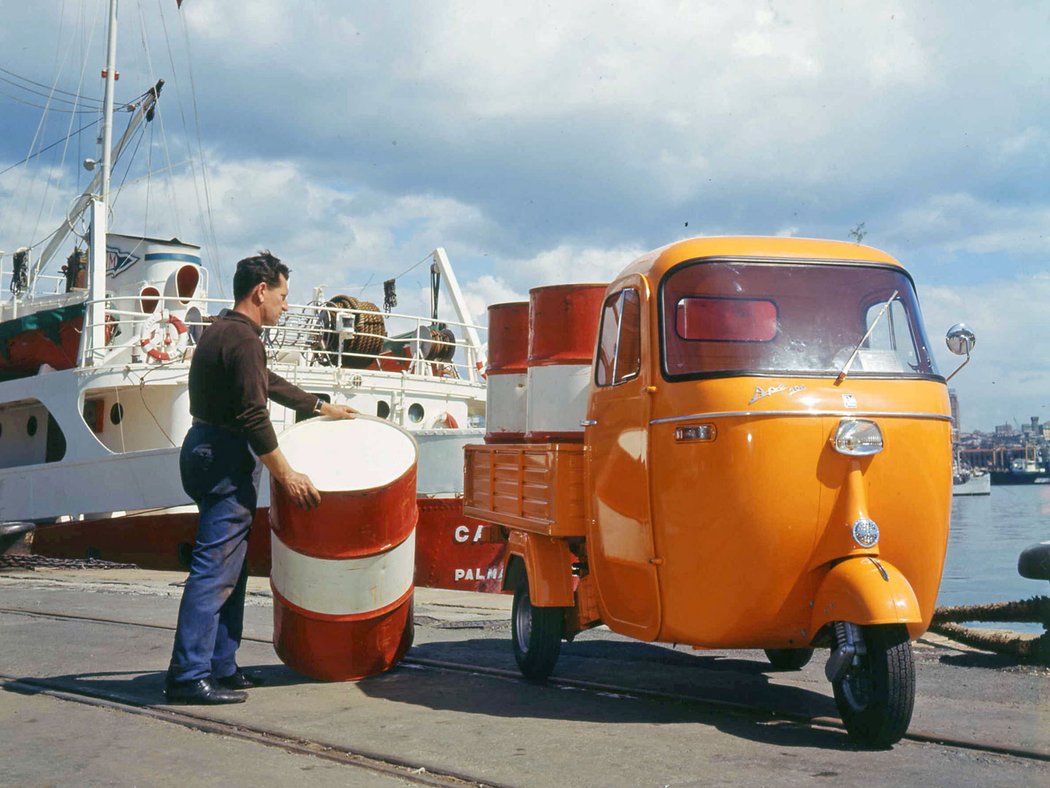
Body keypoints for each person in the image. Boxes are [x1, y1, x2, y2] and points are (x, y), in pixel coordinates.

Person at [164, 251, 356, 705]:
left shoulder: (222, 331)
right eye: (283, 296)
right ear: (260, 291)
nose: (285, 305)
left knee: (230, 566)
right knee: (215, 570)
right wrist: (286, 474)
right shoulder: (246, 340)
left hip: (203, 447)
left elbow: (264, 381)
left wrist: (319, 406)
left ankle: (220, 666)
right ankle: (189, 675)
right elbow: (254, 413)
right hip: (226, 455)